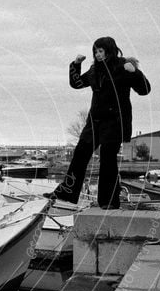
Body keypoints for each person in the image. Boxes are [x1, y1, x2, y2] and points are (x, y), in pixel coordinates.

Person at [47, 36, 151, 209]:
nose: (97, 54)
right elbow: (77, 83)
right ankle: (67, 193)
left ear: (109, 50)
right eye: (95, 51)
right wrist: (76, 64)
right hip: (94, 121)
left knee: (108, 160)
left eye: (101, 51)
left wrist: (135, 73)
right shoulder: (95, 70)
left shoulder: (123, 67)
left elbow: (144, 90)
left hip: (115, 122)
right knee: (80, 155)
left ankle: (109, 201)